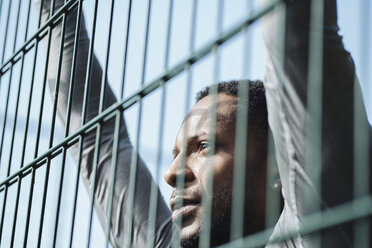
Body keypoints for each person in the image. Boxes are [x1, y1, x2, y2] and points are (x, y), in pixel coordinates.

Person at [39, 0, 371, 247]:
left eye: (204, 146)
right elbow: (97, 136)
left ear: (277, 167)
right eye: (175, 154)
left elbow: (297, 40)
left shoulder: (312, 227)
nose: (171, 173)